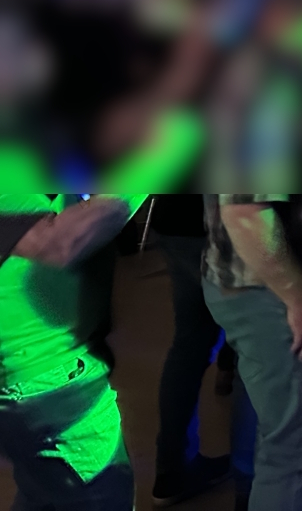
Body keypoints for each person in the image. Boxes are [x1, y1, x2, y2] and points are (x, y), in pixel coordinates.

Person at [202, 195, 302, 511]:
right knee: (295, 449)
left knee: (278, 427)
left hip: (276, 282)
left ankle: (253, 493)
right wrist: (300, 298)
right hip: (272, 288)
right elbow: (245, 214)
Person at [0, 195, 148, 511]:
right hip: (44, 380)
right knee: (99, 495)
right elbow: (58, 243)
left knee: (43, 489)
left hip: (29, 380)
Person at [148, 195, 235, 507]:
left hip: (173, 217)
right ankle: (254, 479)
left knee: (189, 344)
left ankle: (170, 472)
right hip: (223, 221)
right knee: (253, 346)